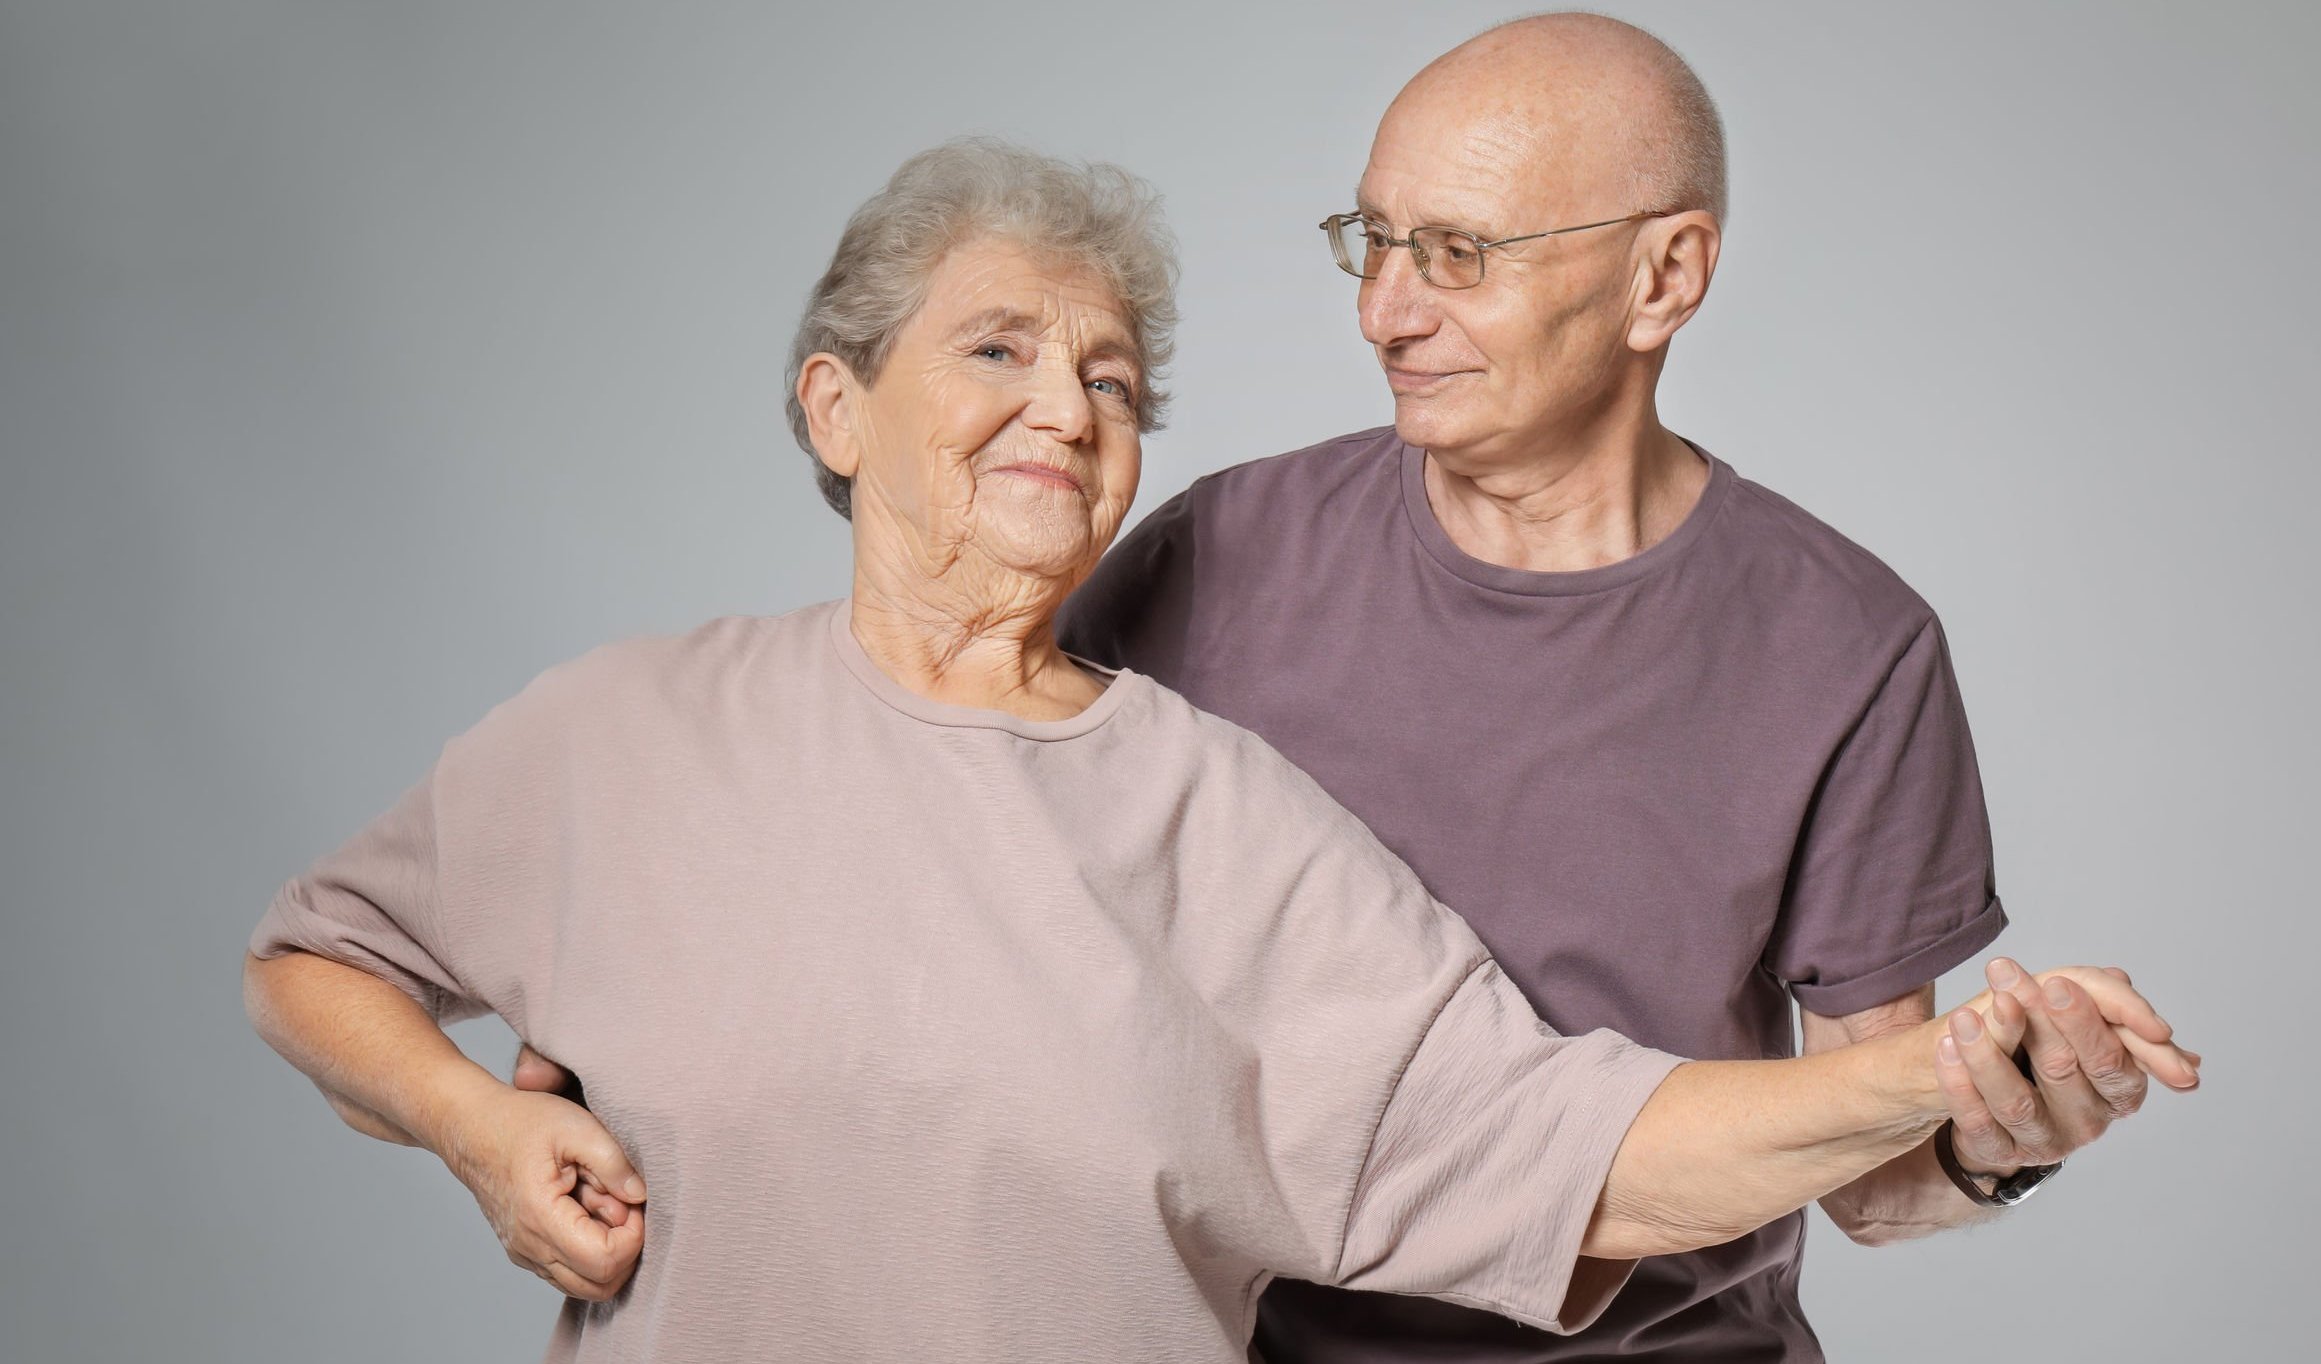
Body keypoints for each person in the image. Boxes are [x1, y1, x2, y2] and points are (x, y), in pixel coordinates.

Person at [244, 140, 2194, 1363]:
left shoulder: (1217, 802)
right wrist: (479, 1121)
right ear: (834, 406)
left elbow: (1543, 1138)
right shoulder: (627, 731)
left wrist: (1942, 1087)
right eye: (996, 348)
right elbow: (321, 966)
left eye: (1108, 378)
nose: (1065, 407)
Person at [1052, 13, 2182, 1363]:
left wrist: (1999, 1142)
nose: (1384, 312)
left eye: (1457, 255)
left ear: (1664, 277)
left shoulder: (1847, 645)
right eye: (1373, 240)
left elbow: (1871, 1182)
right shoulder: (1212, 553)